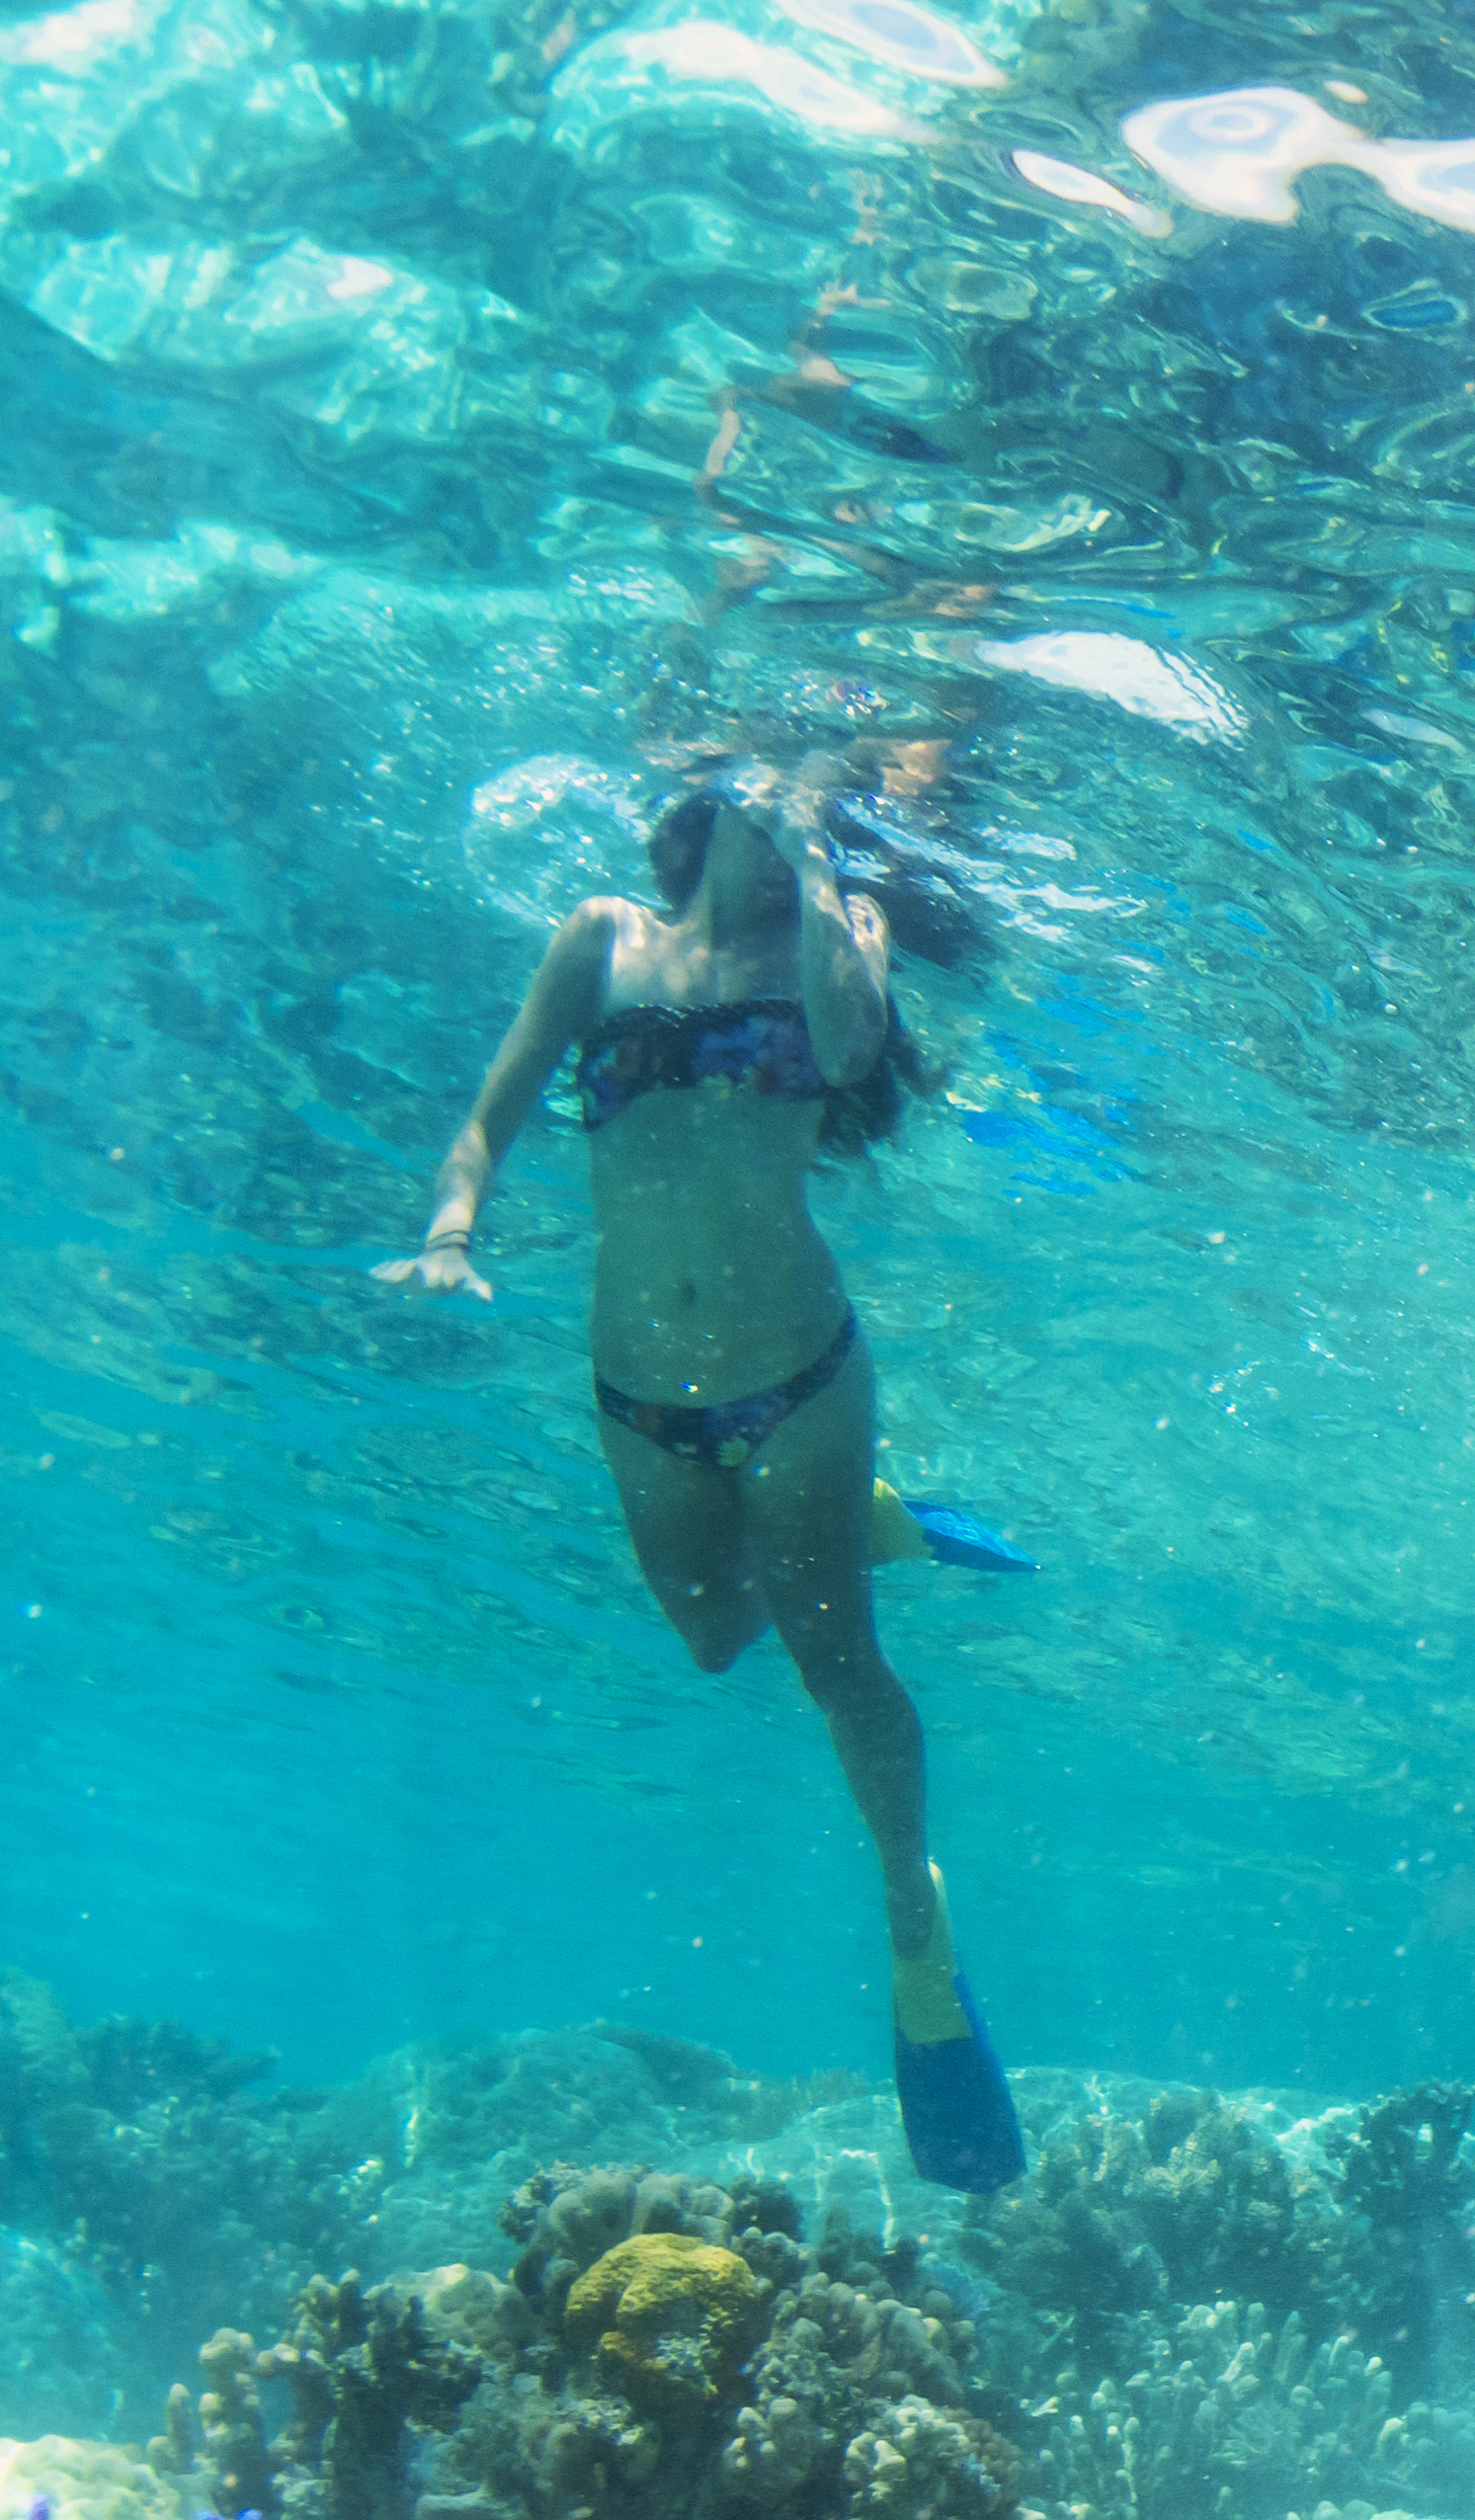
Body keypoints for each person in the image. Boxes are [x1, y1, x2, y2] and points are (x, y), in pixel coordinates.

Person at [390, 752, 1030, 2186]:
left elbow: (856, 1055)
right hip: (638, 1392)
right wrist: (452, 1231)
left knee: (828, 1660)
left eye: (789, 768)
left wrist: (815, 862)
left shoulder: (837, 929)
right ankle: (881, 1527)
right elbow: (491, 1113)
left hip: (799, 1380)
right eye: (738, 764)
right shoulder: (599, 938)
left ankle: (910, 1913)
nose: (756, 784)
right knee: (710, 1637)